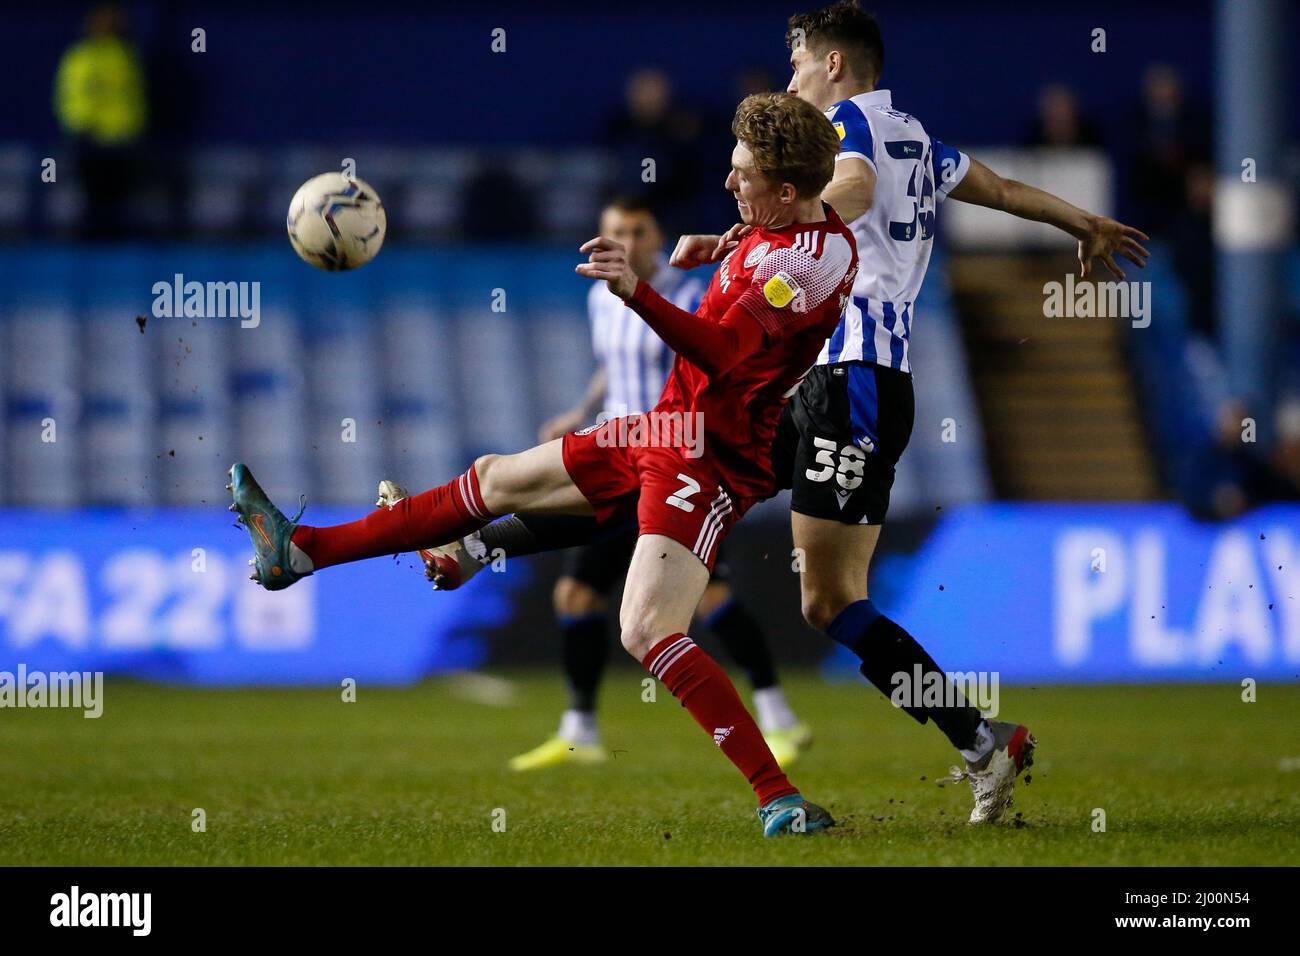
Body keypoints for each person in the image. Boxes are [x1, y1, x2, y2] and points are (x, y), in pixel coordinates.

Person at [416, 0, 1151, 826]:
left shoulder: (850, 132)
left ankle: (984, 741)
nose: (790, 77)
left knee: (830, 600)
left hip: (851, 386)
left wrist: (742, 233)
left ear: (834, 65)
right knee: (664, 468)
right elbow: (1004, 189)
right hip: (814, 385)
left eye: (798, 61)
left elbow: (853, 185)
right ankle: (479, 537)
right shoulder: (920, 137)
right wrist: (1082, 220)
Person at [229, 92, 858, 837]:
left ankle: (776, 796)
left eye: (742, 175)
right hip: (662, 427)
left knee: (648, 631)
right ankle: (301, 552)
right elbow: (766, 257)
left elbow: (727, 354)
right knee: (495, 476)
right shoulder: (780, 228)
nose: (729, 183)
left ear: (786, 191)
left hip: (713, 458)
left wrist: (638, 290)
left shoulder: (813, 262)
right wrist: (719, 246)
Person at [380, 196, 812, 772]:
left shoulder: (693, 296)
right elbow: (615, 360)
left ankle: (474, 548)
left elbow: (716, 356)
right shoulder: (600, 297)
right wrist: (579, 410)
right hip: (621, 449)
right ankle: (581, 723)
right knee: (585, 594)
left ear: (659, 238)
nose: (628, 241)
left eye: (638, 230)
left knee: (693, 597)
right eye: (616, 230)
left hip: (683, 460)